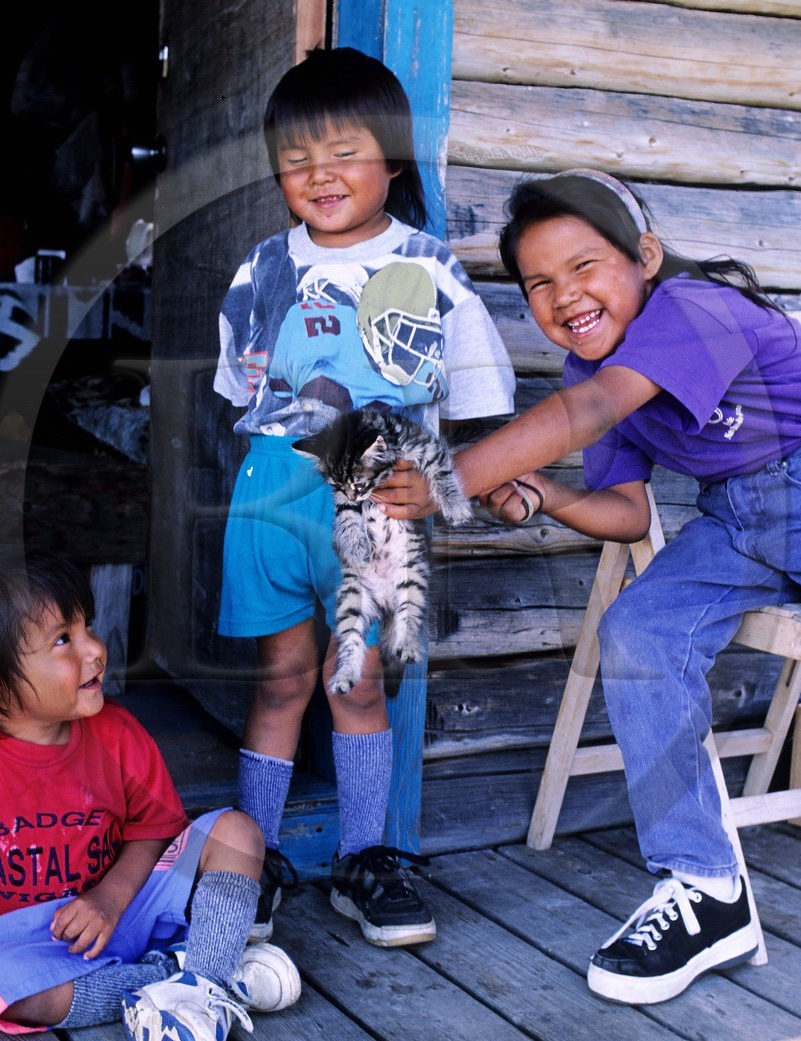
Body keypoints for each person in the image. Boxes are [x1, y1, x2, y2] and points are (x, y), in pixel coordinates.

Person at [375, 169, 801, 1003]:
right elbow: (629, 513)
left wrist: (446, 475)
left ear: (646, 257)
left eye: (586, 265)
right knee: (638, 633)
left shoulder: (692, 308)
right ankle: (706, 883)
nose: (566, 295)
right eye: (540, 283)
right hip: (737, 518)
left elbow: (586, 415)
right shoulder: (588, 372)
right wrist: (548, 493)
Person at [213, 47, 515, 947]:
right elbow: (242, 392)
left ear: (392, 159)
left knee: (357, 679)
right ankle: (253, 857)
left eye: (344, 152)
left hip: (373, 505)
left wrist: (437, 475)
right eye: (298, 158)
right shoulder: (260, 268)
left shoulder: (429, 268)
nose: (320, 175)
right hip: (271, 494)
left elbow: (478, 399)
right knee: (281, 677)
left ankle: (363, 857)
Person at [0, 546, 300, 1041]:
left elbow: (155, 832)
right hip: (39, 941)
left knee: (236, 832)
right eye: (63, 639)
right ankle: (199, 974)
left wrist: (109, 897)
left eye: (87, 627)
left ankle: (202, 983)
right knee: (1, 993)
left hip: (129, 904)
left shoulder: (117, 732)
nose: (95, 648)